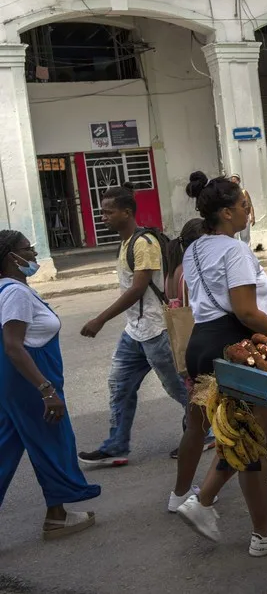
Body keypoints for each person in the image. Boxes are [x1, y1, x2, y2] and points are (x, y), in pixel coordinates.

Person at [172, 171, 267, 556]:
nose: (249, 212)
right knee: (249, 437)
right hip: (233, 346)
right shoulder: (235, 250)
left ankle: (262, 531)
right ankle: (205, 501)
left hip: (201, 344)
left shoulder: (195, 248)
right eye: (245, 206)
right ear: (227, 213)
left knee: (246, 438)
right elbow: (246, 311)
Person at [78, 184, 189, 467]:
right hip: (135, 331)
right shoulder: (127, 242)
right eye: (102, 211)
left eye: (108, 212)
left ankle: (209, 431)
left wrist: (100, 319)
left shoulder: (144, 243)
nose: (103, 216)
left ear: (127, 212)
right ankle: (116, 445)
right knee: (119, 384)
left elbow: (138, 288)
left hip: (156, 330)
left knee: (178, 387)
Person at [0, 230, 101, 539]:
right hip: (31, 382)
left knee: (5, 449)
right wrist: (46, 390)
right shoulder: (15, 293)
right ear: (11, 258)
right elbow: (14, 346)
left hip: (17, 384)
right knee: (53, 442)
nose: (33, 255)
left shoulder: (11, 289)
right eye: (27, 250)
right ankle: (57, 518)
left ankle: (57, 514)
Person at [163, 218, 215, 459]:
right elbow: (193, 314)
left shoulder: (174, 270)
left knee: (199, 402)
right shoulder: (187, 274)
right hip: (198, 346)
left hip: (186, 348)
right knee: (205, 403)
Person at [230, 175, 255, 246]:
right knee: (235, 237)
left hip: (244, 216)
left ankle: (247, 253)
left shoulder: (244, 192)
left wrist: (252, 216)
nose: (234, 182)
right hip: (234, 218)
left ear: (239, 181)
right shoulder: (229, 194)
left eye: (235, 180)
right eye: (232, 181)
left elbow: (250, 204)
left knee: (245, 237)